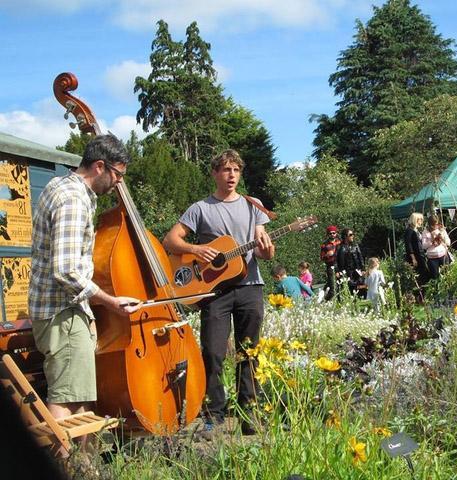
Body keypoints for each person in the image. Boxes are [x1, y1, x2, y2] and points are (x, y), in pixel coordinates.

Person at [28, 134, 141, 428]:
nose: (119, 182)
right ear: (100, 166)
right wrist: (110, 301)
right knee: (66, 400)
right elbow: (66, 270)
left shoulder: (61, 187)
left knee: (78, 395)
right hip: (61, 313)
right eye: (118, 175)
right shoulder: (73, 200)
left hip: (64, 312)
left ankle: (82, 464)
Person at [162, 149, 274, 435]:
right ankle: (214, 414)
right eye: (225, 170)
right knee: (212, 352)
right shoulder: (200, 209)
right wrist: (196, 249)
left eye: (236, 170)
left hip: (250, 286)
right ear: (214, 173)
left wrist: (267, 249)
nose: (231, 175)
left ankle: (250, 415)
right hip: (214, 291)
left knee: (249, 352)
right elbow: (170, 240)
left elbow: (265, 252)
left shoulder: (254, 206)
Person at [421, 215, 451, 280]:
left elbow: (448, 242)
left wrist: (443, 239)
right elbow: (423, 246)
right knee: (435, 277)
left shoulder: (441, 230)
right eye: (433, 225)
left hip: (443, 255)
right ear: (429, 224)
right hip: (432, 258)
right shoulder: (425, 232)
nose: (435, 226)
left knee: (447, 275)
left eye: (436, 224)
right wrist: (431, 241)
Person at [336, 228, 365, 295]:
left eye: (353, 234)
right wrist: (337, 271)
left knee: (360, 288)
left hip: (357, 271)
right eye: (351, 235)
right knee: (349, 289)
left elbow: (360, 258)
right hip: (346, 272)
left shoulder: (355, 245)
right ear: (346, 236)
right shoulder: (340, 247)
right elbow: (336, 260)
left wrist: (363, 269)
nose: (353, 236)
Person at [404, 212, 429, 284]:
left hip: (420, 255)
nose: (421, 221)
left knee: (424, 273)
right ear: (415, 220)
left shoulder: (416, 230)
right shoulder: (409, 231)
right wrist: (413, 258)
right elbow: (408, 245)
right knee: (420, 275)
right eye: (420, 219)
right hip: (416, 256)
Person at [320, 225, 341, 300]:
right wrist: (327, 255)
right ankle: (325, 301)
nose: (332, 234)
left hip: (340, 266)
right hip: (330, 267)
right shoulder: (324, 245)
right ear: (327, 234)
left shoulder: (340, 242)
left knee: (341, 285)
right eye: (330, 233)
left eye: (334, 233)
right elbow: (322, 257)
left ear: (336, 233)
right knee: (333, 288)